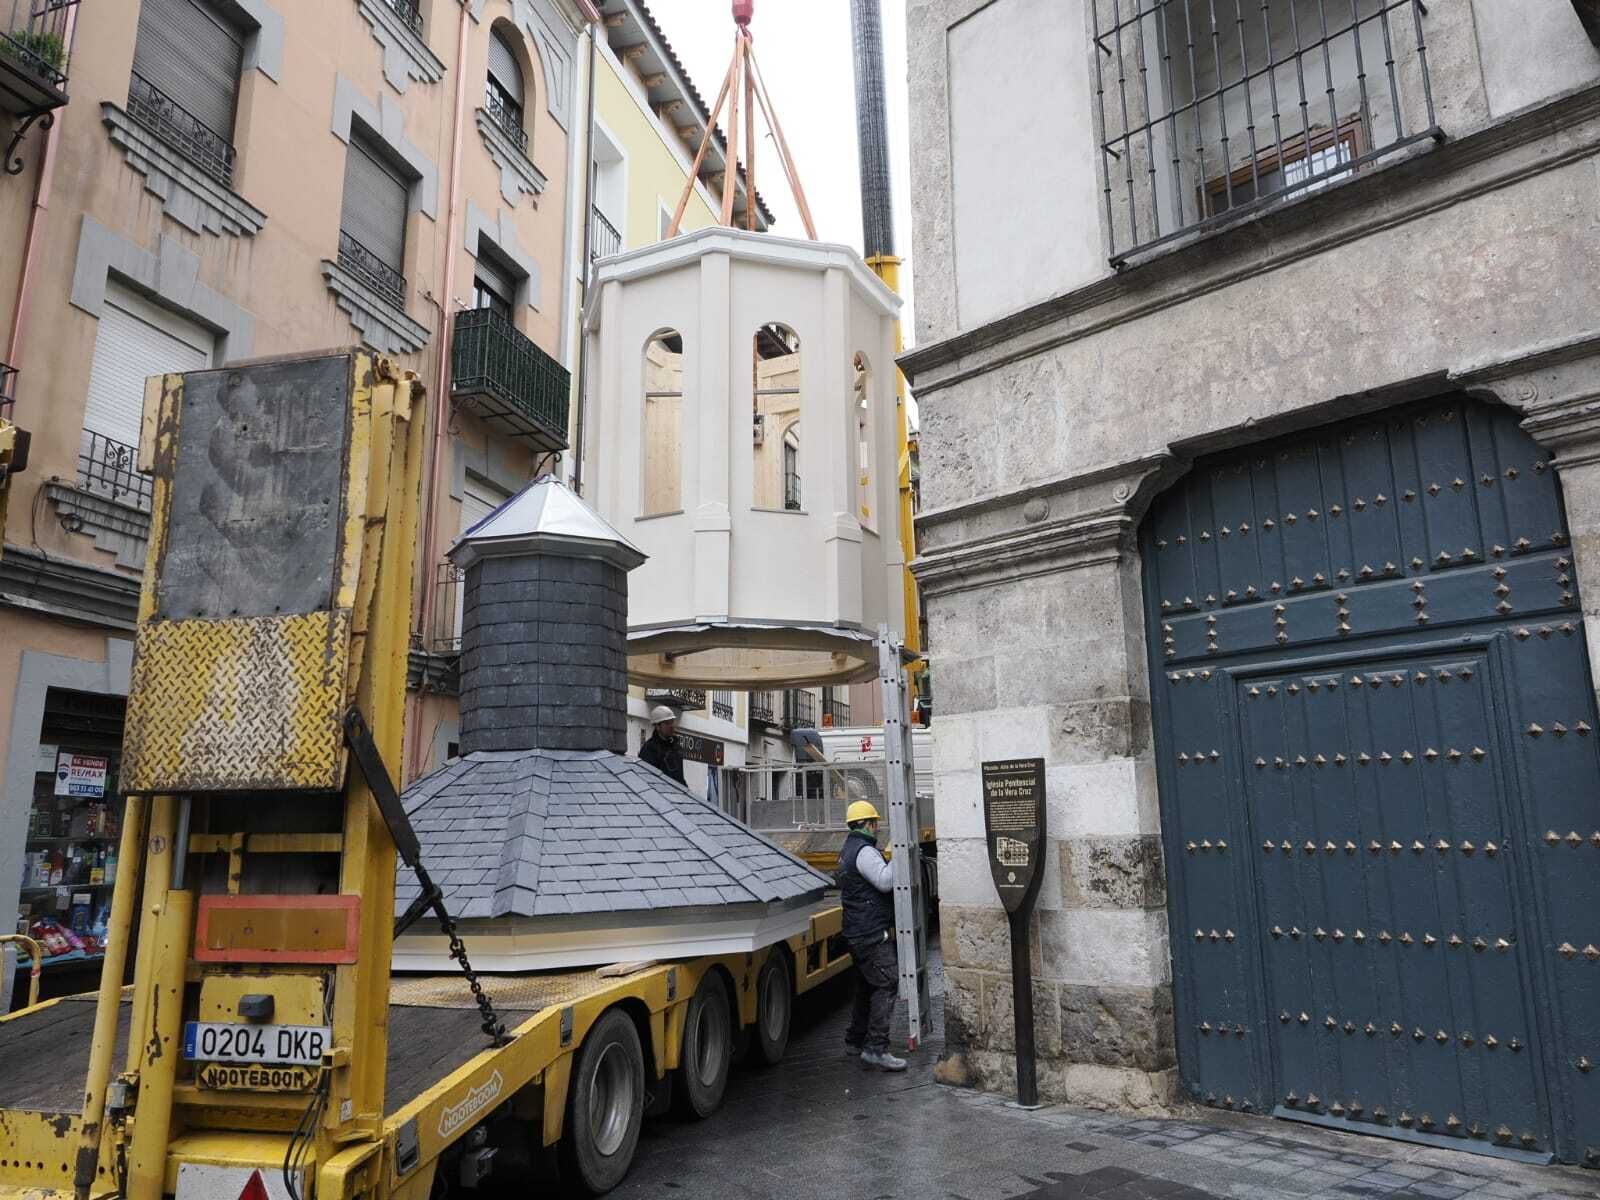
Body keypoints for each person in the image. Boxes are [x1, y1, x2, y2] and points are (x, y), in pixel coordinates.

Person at [836, 800, 906, 1071]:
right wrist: (899, 855)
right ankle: (876, 1048)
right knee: (887, 982)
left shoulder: (848, 849)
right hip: (869, 932)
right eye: (875, 823)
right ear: (868, 824)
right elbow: (885, 881)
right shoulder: (864, 852)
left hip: (855, 930)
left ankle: (855, 1040)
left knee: (867, 985)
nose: (877, 828)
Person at [637, 705, 685, 784]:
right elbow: (647, 778)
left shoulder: (676, 748)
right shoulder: (649, 749)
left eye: (672, 722)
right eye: (667, 723)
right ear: (657, 726)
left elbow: (679, 777)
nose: (671, 726)